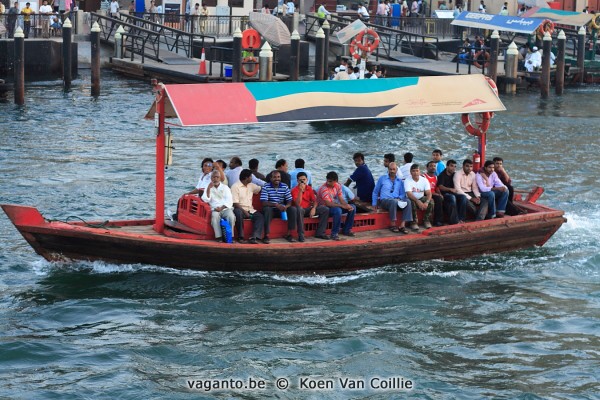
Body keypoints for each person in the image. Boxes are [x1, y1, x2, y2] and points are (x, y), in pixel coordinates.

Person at [372, 162, 412, 234]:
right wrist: (374, 203)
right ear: (388, 170)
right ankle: (392, 224)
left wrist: (399, 199)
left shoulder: (399, 181)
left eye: (394, 169)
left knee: (408, 201)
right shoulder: (382, 178)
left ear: (396, 170)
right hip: (385, 201)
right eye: (390, 169)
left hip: (397, 200)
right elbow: (375, 192)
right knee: (393, 201)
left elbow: (402, 194)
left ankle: (402, 225)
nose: (392, 171)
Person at [260, 170, 299, 243]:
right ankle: (266, 235)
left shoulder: (284, 186)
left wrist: (286, 207)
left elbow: (289, 200)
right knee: (267, 210)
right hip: (271, 209)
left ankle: (289, 234)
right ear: (271, 178)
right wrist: (276, 205)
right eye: (274, 177)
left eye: (278, 177)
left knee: (293, 209)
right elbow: (264, 202)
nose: (277, 179)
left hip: (282, 209)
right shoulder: (266, 186)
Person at [318, 171, 356, 241]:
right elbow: (328, 204)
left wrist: (346, 205)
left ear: (336, 181)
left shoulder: (338, 186)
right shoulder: (324, 188)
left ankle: (347, 229)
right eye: (327, 181)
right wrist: (342, 206)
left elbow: (341, 199)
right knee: (338, 210)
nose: (328, 183)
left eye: (330, 181)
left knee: (353, 207)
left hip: (334, 206)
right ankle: (334, 233)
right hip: (325, 209)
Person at [292, 172, 329, 241]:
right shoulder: (294, 190)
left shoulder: (309, 188)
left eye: (304, 179)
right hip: (300, 209)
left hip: (308, 209)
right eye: (301, 180)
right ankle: (301, 235)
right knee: (299, 209)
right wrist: (300, 190)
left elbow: (315, 201)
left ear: (307, 180)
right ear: (297, 181)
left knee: (325, 209)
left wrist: (314, 208)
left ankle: (320, 233)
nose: (303, 181)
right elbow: (297, 204)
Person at [231, 169, 264, 244]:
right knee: (237, 212)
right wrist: (245, 212)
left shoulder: (251, 186)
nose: (252, 178)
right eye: (251, 177)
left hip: (250, 210)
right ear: (246, 178)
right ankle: (241, 237)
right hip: (240, 209)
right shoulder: (235, 186)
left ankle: (254, 237)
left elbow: (261, 188)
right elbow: (235, 203)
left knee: (260, 217)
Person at [201, 171, 236, 242]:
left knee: (231, 217)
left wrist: (222, 208)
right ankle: (219, 237)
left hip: (225, 208)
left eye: (217, 177)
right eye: (214, 177)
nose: (215, 179)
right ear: (211, 178)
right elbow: (206, 199)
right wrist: (208, 189)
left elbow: (229, 200)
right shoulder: (208, 187)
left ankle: (230, 236)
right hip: (215, 209)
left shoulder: (225, 188)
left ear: (220, 178)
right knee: (214, 217)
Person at [404, 164, 433, 229]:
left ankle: (426, 220)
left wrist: (427, 202)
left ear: (419, 171)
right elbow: (409, 194)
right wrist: (417, 201)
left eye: (417, 171)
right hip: (411, 198)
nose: (415, 173)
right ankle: (413, 222)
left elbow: (428, 193)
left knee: (431, 201)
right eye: (413, 171)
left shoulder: (424, 180)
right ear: (410, 172)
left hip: (421, 197)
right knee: (412, 203)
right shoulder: (407, 180)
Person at [436, 159, 464, 225]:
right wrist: (449, 189)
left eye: (455, 166)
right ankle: (454, 221)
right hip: (445, 194)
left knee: (463, 197)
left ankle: (461, 218)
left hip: (453, 193)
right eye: (451, 166)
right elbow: (440, 187)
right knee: (452, 197)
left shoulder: (454, 174)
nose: (453, 168)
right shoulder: (442, 175)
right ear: (447, 166)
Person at [423, 161, 444, 227]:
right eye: (431, 166)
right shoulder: (423, 177)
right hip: (426, 194)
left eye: (434, 166)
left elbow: (436, 188)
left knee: (443, 198)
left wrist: (440, 193)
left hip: (434, 194)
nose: (433, 167)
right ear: (427, 168)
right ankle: (437, 221)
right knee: (438, 199)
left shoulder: (436, 177)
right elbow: (423, 190)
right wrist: (436, 195)